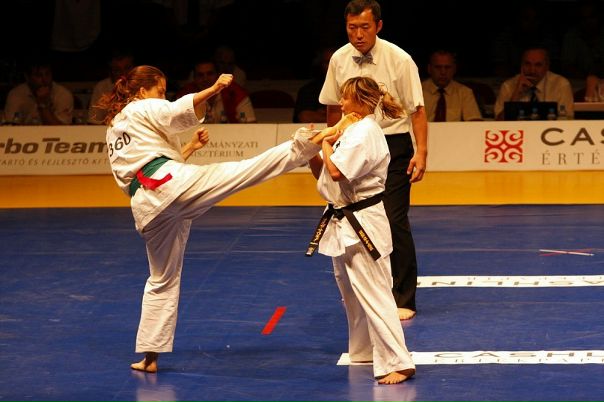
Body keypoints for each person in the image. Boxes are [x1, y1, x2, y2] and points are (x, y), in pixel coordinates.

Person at [99, 64, 360, 373]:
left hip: (148, 206)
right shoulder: (141, 107)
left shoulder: (115, 128)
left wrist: (191, 147)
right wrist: (214, 89)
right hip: (168, 186)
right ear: (143, 91)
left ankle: (149, 357)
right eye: (160, 90)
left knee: (161, 279)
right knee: (244, 171)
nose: (162, 96)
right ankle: (309, 142)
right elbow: (175, 110)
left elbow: (149, 162)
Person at [319, 0, 428, 321]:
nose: (358, 34)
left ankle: (403, 296)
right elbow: (332, 106)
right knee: (352, 216)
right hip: (352, 142)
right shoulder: (339, 59)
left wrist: (421, 152)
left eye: (365, 27)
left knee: (394, 219)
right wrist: (332, 140)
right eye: (352, 27)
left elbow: (417, 109)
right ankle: (363, 290)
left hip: (391, 145)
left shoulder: (399, 59)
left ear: (378, 26)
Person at [308, 76, 415, 385]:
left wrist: (326, 141)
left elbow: (337, 172)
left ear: (361, 100)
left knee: (376, 292)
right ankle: (363, 350)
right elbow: (324, 174)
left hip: (363, 221)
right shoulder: (351, 130)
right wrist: (312, 149)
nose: (340, 103)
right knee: (350, 293)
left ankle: (399, 361)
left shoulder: (365, 132)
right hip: (342, 219)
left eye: (345, 97)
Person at [494, 47, 575, 120]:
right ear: (521, 65)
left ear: (547, 67)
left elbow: (567, 121)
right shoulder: (508, 86)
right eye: (527, 64)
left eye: (538, 65)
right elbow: (498, 123)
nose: (532, 70)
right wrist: (516, 95)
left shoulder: (561, 85)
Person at [175, 59, 256, 123]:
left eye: (210, 74)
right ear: (194, 78)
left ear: (218, 75)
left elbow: (250, 125)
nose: (205, 79)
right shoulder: (185, 95)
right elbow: (176, 126)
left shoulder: (236, 92)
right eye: (200, 75)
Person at [4, 56, 73, 125]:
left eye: (47, 74)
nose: (44, 80)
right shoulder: (16, 95)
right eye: (38, 75)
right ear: (27, 77)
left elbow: (61, 130)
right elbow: (10, 126)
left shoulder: (63, 95)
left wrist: (43, 104)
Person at [421, 50, 482, 122]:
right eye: (438, 67)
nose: (443, 72)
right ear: (429, 69)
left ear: (454, 69)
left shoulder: (464, 93)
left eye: (447, 67)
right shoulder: (417, 92)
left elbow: (474, 122)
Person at [88, 50, 135, 124]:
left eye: (127, 68)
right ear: (111, 71)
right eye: (117, 70)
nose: (123, 73)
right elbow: (94, 121)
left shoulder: (143, 86)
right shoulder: (102, 87)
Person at [293, 47, 335, 123]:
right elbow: (304, 117)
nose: (331, 66)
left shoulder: (352, 87)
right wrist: (339, 117)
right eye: (327, 62)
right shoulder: (309, 89)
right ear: (321, 65)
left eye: (335, 62)